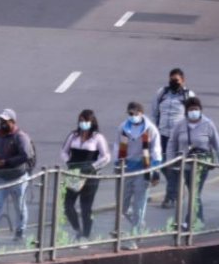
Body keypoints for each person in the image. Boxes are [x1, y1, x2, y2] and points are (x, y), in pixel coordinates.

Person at [164, 97, 219, 228]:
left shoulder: (208, 124)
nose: (194, 112)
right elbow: (172, 143)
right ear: (186, 111)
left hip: (202, 163)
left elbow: (217, 143)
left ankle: (190, 221)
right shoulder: (180, 125)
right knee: (194, 191)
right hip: (186, 164)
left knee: (195, 191)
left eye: (196, 109)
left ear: (200, 110)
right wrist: (170, 161)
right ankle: (199, 219)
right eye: (191, 109)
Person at [0, 109, 36, 245]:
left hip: (17, 177)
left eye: (5, 121)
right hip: (0, 177)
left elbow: (26, 155)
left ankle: (20, 230)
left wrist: (6, 162)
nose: (2, 123)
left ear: (13, 122)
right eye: (1, 121)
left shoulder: (20, 136)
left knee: (19, 205)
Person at [114, 102, 161, 249]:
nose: (132, 116)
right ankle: (139, 223)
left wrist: (155, 171)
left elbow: (155, 150)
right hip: (126, 169)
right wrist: (117, 163)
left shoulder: (150, 129)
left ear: (141, 113)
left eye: (135, 113)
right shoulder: (123, 128)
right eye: (130, 113)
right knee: (122, 204)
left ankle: (134, 238)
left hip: (143, 170)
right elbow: (117, 147)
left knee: (139, 205)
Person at [60, 109, 111, 242]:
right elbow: (64, 152)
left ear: (92, 122)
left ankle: (86, 235)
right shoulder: (73, 136)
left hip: (90, 175)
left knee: (86, 207)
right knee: (67, 205)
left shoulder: (97, 137)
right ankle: (77, 229)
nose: (83, 123)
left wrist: (93, 166)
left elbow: (106, 156)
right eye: (81, 121)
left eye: (86, 121)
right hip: (74, 173)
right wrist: (68, 162)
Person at [151, 69, 194, 209]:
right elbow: (155, 112)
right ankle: (176, 189)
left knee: (174, 167)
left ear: (183, 80)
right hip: (162, 134)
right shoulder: (162, 93)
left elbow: (192, 117)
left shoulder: (188, 95)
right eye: (171, 80)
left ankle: (170, 197)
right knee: (163, 164)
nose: (173, 83)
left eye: (176, 80)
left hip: (178, 137)